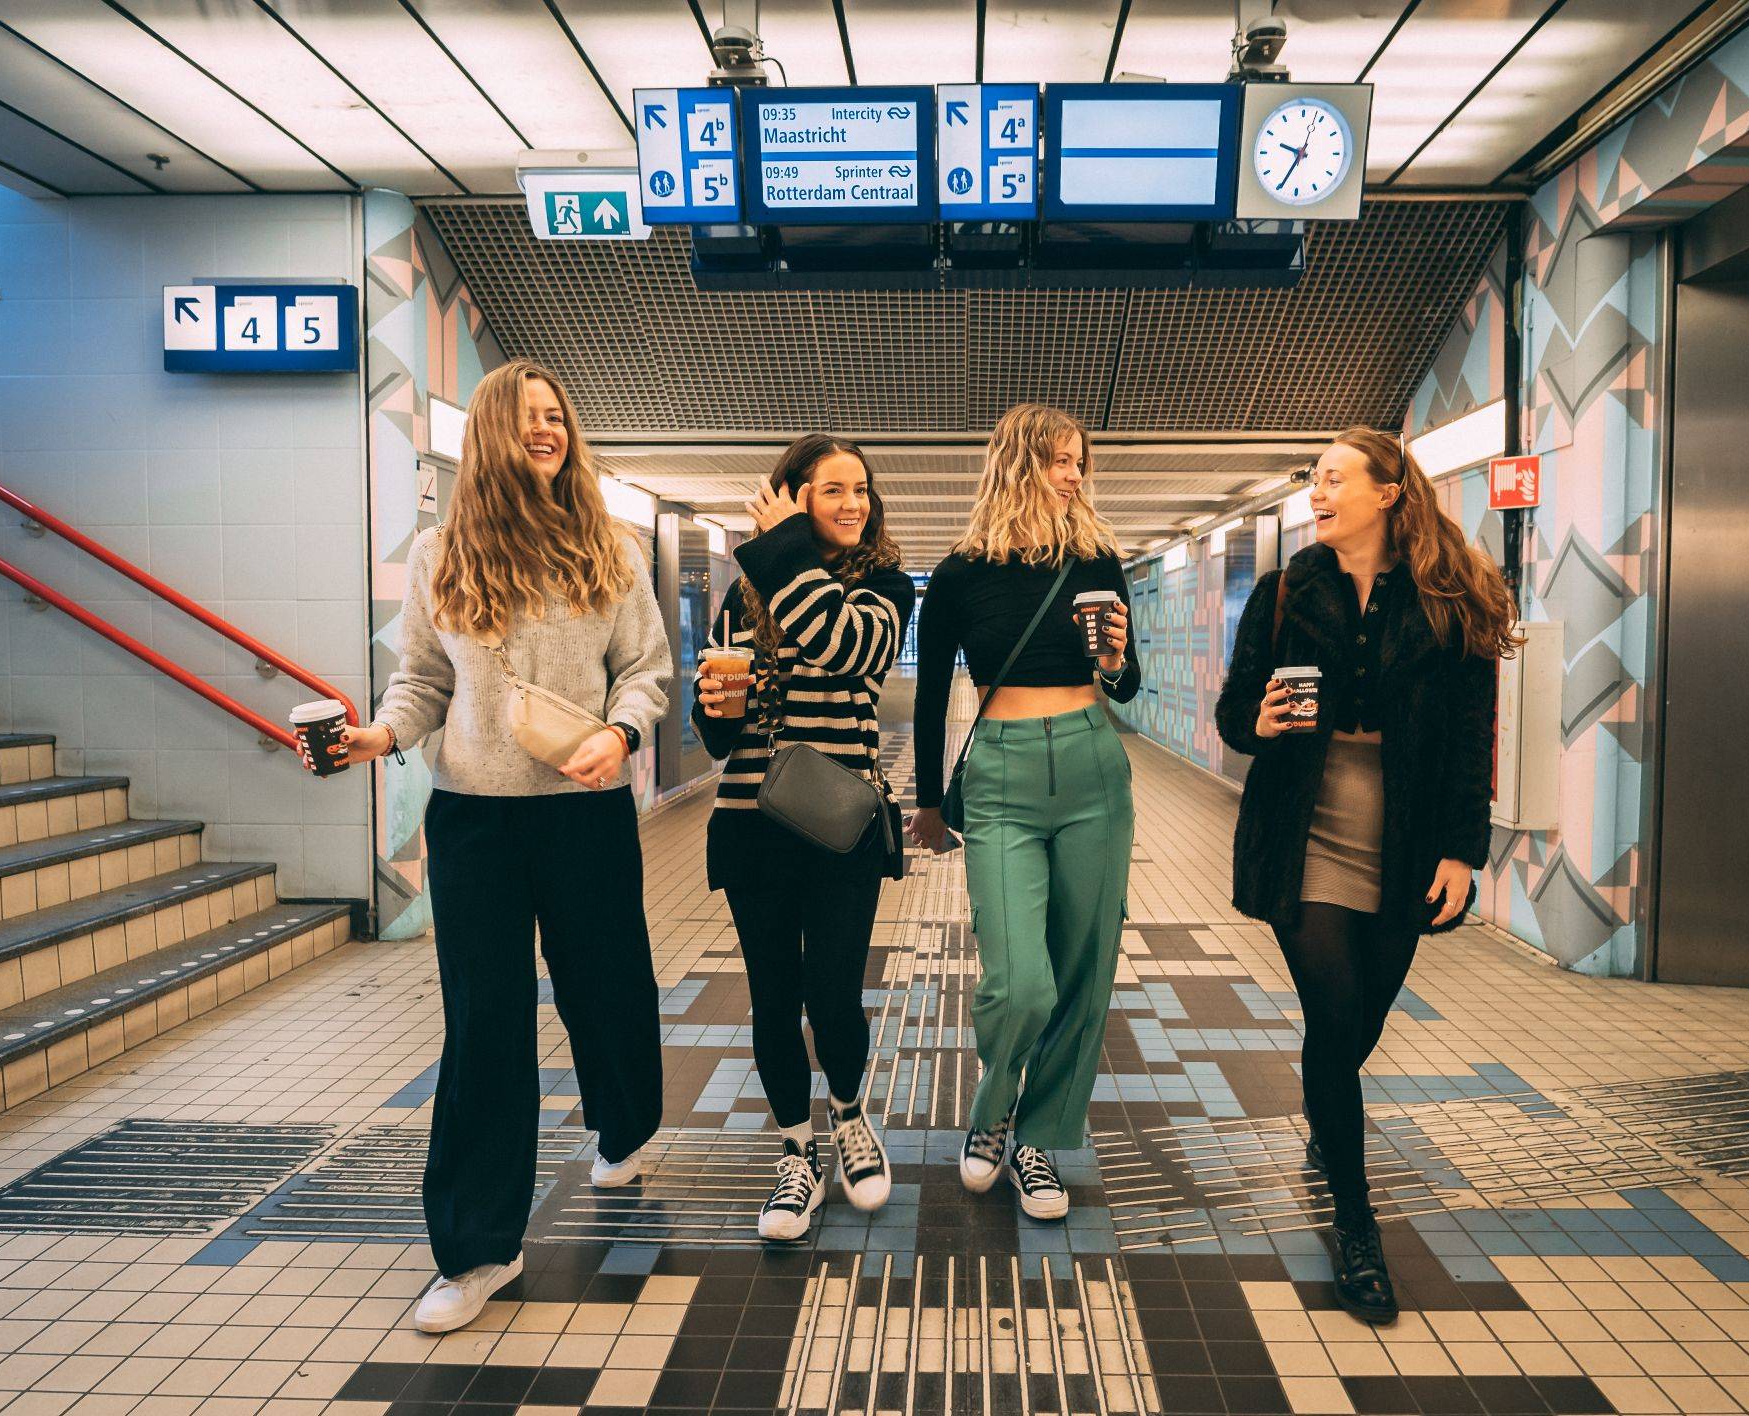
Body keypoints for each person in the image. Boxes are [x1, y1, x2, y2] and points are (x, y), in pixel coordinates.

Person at [303, 359, 672, 1334]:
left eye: (557, 415)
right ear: (490, 435)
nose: (545, 431)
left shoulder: (612, 548)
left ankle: (627, 1125)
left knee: (606, 985)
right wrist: (381, 736)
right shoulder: (440, 555)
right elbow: (422, 680)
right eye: (526, 418)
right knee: (484, 1025)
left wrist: (621, 733)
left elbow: (644, 669)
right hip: (472, 814)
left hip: (583, 808)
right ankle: (476, 1249)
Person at [1214, 427, 1514, 1325]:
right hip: (1306, 827)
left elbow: (1472, 741)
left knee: (1358, 1021)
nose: (1319, 489)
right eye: (1314, 478)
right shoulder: (1283, 592)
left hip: (1407, 832)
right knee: (1333, 1012)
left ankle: (1325, 1116)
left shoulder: (1450, 598)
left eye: (1336, 477)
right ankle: (1356, 1224)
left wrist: (1463, 849)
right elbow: (1235, 715)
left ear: (1389, 492)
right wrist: (1259, 724)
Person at [907, 403, 1140, 1221]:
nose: (1075, 475)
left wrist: (1112, 657)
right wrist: (930, 802)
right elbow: (932, 693)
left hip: (1092, 768)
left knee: (1084, 968)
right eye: (1059, 461)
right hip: (1002, 776)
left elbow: (1127, 682)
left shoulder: (1101, 559)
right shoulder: (962, 573)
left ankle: (1038, 1137)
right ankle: (995, 1105)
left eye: (1080, 462)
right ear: (1016, 464)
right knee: (1020, 984)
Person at [691, 435, 915, 1242]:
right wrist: (713, 708)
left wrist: (781, 553)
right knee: (774, 1001)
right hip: (752, 822)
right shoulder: (742, 591)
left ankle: (852, 1118)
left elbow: (845, 647)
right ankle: (795, 1152)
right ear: (795, 496)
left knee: (833, 994)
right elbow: (719, 727)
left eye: (862, 488)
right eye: (834, 490)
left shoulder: (885, 586)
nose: (855, 502)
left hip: (837, 824)